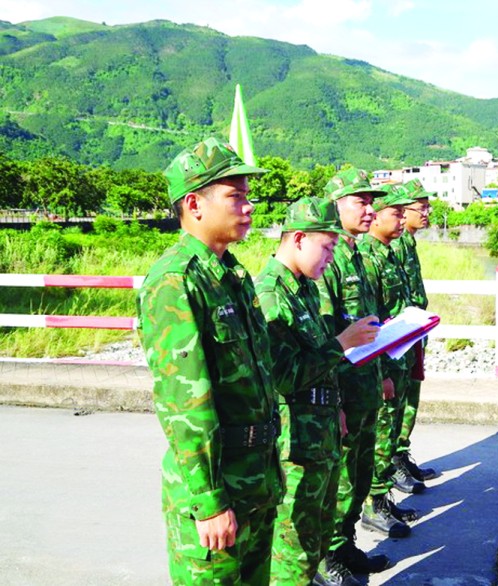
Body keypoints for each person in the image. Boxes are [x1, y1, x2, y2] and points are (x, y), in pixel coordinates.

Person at [137, 137, 284, 585]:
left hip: (256, 478)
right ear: (195, 205)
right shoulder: (174, 282)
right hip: (217, 487)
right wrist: (209, 501)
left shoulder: (232, 275)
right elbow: (183, 405)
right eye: (235, 196)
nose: (249, 206)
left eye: (247, 195)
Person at [255, 197, 380, 586]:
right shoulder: (271, 294)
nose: (331, 257)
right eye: (326, 247)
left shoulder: (303, 288)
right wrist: (342, 343)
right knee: (292, 548)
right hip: (295, 445)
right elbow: (285, 375)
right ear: (297, 240)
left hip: (320, 434)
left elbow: (319, 368)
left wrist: (337, 408)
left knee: (317, 539)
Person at [315, 168, 409, 583]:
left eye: (373, 202)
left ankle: (347, 545)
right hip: (344, 389)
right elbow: (323, 337)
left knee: (359, 476)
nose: (371, 209)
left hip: (367, 384)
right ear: (336, 206)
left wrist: (385, 370)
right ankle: (327, 557)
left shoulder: (358, 255)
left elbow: (371, 323)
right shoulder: (327, 260)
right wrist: (333, 401)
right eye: (361, 201)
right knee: (337, 481)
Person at [358, 184, 427, 534]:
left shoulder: (388, 252)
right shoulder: (367, 257)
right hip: (385, 359)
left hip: (400, 352)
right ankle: (374, 503)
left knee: (391, 426)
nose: (401, 219)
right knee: (381, 433)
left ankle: (382, 498)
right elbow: (372, 319)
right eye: (395, 213)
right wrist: (382, 368)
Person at [389, 178, 439, 484]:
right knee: (397, 401)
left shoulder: (407, 242)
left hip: (413, 333)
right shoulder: (393, 243)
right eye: (420, 207)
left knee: (410, 395)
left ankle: (401, 453)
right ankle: (392, 461)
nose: (426, 212)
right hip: (399, 336)